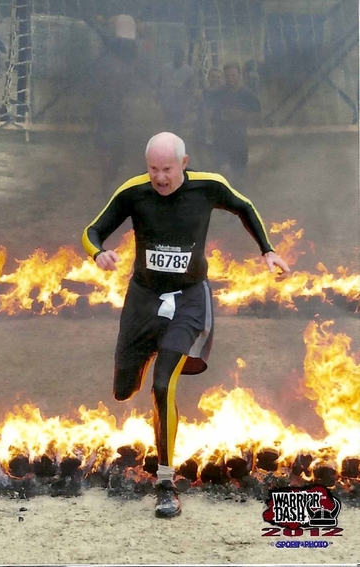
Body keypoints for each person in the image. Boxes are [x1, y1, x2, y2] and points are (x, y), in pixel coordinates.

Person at [82, 132, 290, 519]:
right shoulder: (134, 192)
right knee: (124, 390)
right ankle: (142, 354)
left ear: (184, 163)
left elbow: (245, 207)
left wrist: (268, 250)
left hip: (189, 300)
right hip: (143, 300)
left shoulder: (208, 186)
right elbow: (92, 230)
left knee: (164, 384)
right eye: (153, 169)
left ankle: (165, 484)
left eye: (167, 169)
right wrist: (98, 252)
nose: (160, 177)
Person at [202, 63, 261, 188]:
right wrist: (208, 125)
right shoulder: (217, 92)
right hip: (221, 138)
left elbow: (257, 116)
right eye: (227, 76)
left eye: (233, 75)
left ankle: (237, 199)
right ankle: (224, 198)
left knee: (238, 176)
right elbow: (207, 110)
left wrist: (242, 115)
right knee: (224, 170)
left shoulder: (247, 94)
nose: (230, 78)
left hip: (239, 139)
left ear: (239, 75)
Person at [157, 47, 196, 132]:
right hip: (167, 98)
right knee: (168, 120)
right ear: (173, 57)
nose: (178, 59)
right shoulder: (165, 68)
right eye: (176, 57)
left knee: (178, 121)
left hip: (180, 100)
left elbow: (191, 87)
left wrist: (187, 97)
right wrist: (159, 95)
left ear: (183, 58)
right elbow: (159, 82)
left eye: (180, 57)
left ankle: (176, 136)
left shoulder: (188, 70)